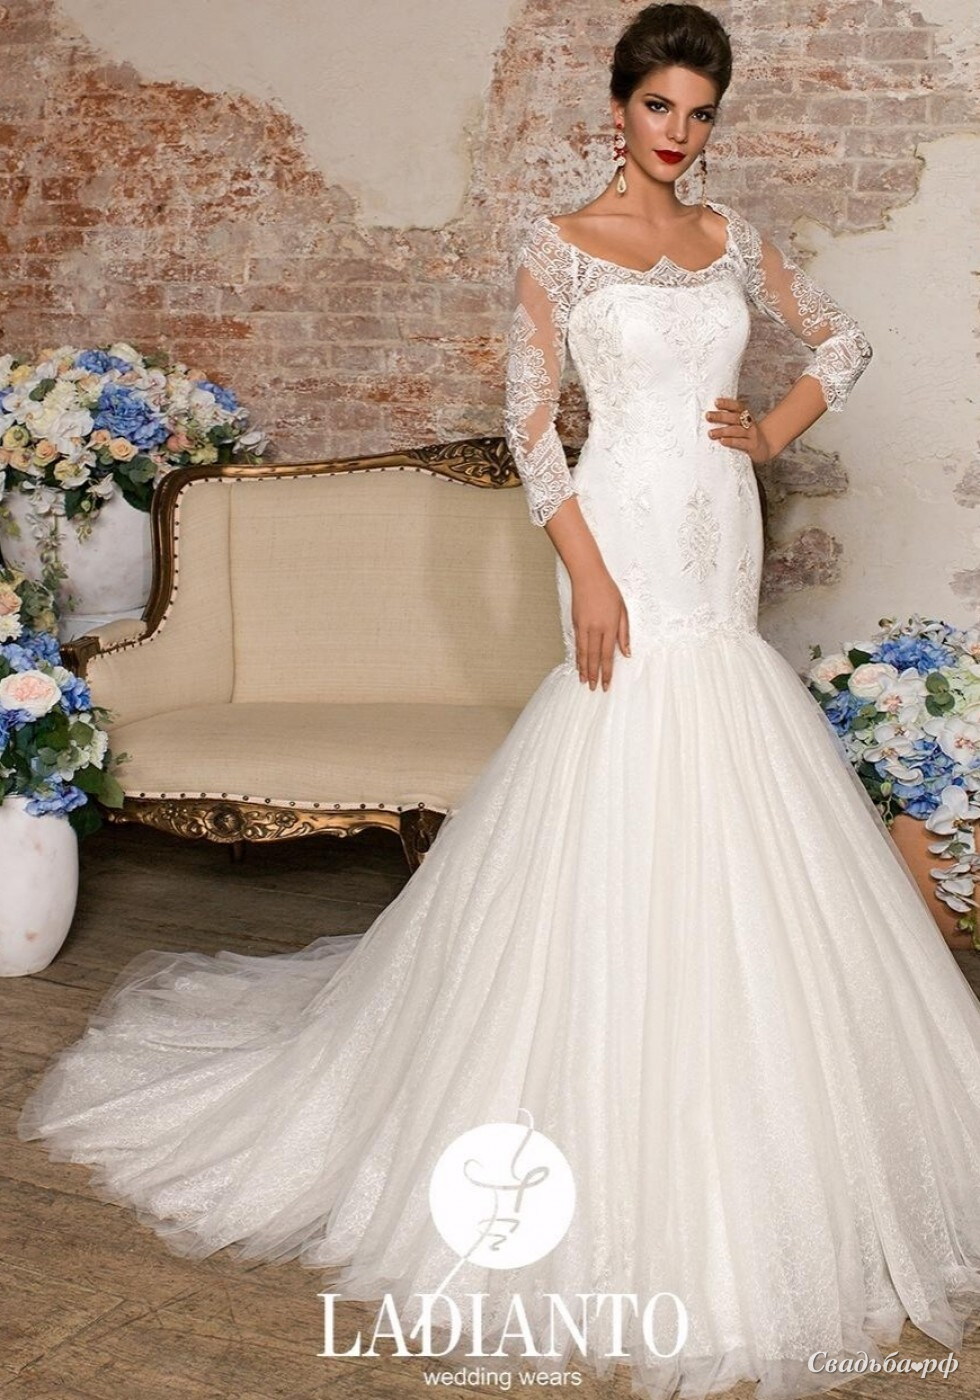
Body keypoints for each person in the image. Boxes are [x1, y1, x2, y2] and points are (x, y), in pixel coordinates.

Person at [16, 6, 980, 1399]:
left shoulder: (734, 240)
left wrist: (767, 431)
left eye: (702, 112)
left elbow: (842, 342)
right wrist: (585, 571)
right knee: (625, 736)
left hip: (716, 526)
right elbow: (532, 427)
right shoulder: (559, 242)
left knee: (728, 733)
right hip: (621, 526)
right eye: (660, 106)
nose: (681, 133)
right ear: (619, 110)